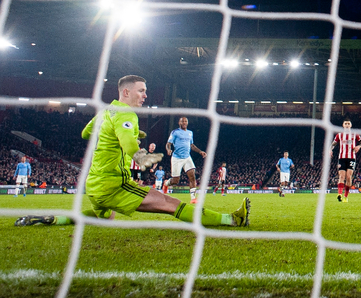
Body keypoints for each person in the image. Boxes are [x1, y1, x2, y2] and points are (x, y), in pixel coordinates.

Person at [15, 75, 250, 228]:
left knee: (105, 218)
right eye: (141, 91)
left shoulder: (107, 111)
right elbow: (128, 147)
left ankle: (53, 219)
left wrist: (116, 136)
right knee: (170, 204)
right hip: (113, 183)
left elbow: (86, 134)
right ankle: (232, 219)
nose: (145, 95)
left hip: (94, 183)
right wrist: (141, 155)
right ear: (125, 92)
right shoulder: (127, 115)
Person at [162, 116, 207, 204]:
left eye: (185, 121)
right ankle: (166, 183)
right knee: (175, 181)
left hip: (187, 157)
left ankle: (193, 198)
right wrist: (168, 149)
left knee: (192, 176)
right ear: (179, 123)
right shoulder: (175, 132)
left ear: (187, 123)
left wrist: (200, 152)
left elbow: (192, 145)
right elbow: (168, 143)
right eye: (182, 121)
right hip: (177, 158)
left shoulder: (190, 133)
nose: (184, 123)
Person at [330, 117, 361, 203]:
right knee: (341, 176)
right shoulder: (339, 135)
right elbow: (333, 144)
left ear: (351, 125)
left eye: (348, 124)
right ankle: (339, 194)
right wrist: (330, 149)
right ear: (343, 125)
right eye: (345, 124)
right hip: (341, 158)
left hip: (351, 158)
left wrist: (358, 146)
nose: (347, 125)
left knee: (349, 177)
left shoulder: (355, 134)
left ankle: (346, 196)